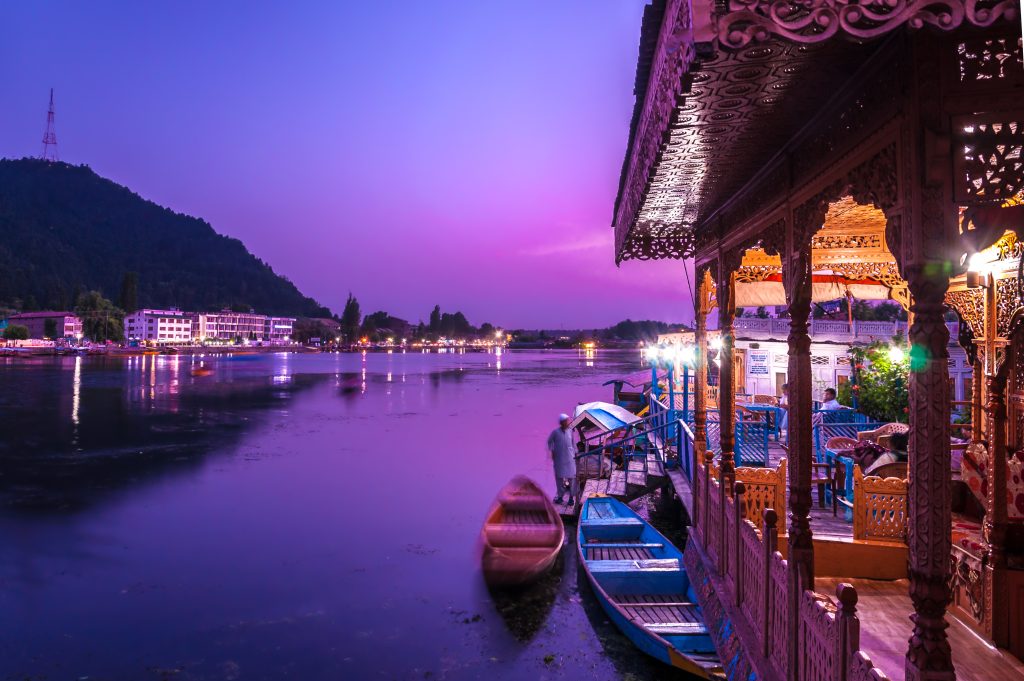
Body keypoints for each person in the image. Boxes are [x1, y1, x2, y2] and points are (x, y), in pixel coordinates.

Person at [547, 413, 579, 506]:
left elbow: (573, 444)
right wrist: (552, 452)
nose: (567, 423)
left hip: (570, 458)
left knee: (572, 478)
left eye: (567, 421)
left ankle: (571, 498)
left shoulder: (570, 432)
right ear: (561, 423)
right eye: (565, 421)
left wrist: (576, 453)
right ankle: (560, 497)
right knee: (559, 479)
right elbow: (550, 442)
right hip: (559, 459)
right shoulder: (555, 432)